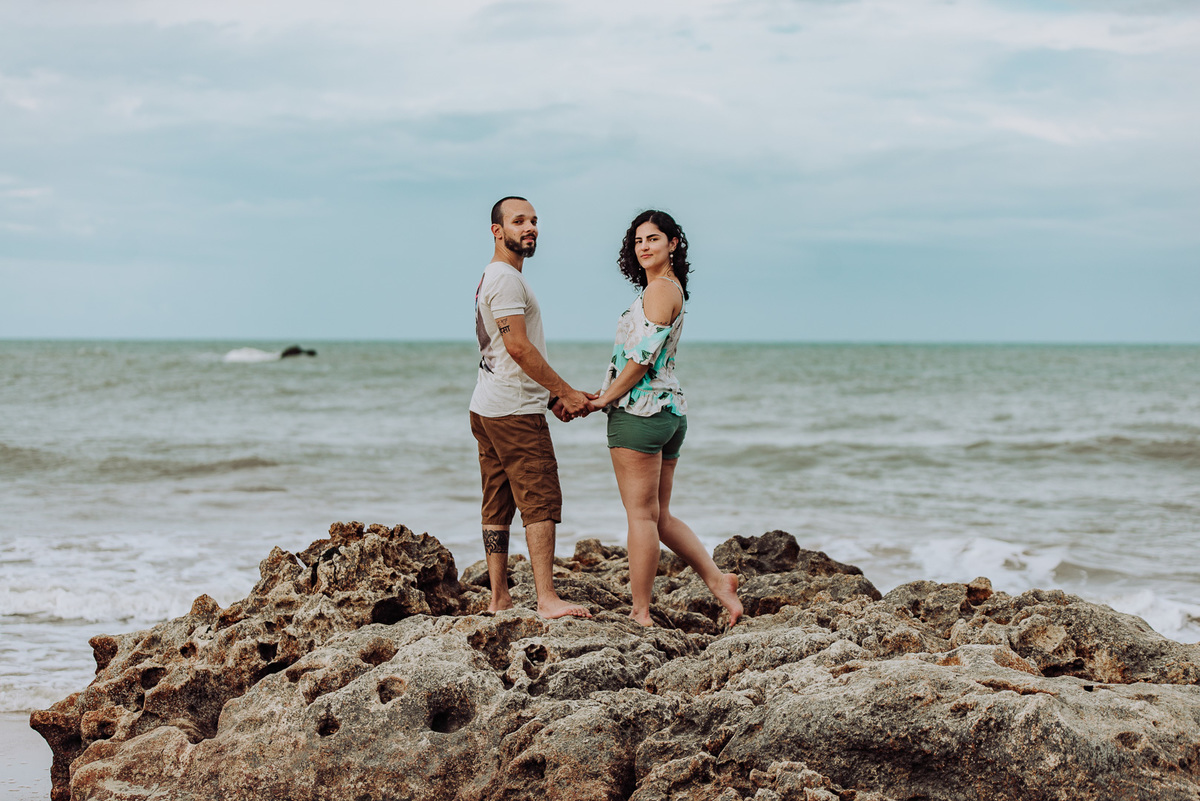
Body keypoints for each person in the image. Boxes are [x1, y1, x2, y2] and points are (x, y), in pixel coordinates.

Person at [585, 210, 742, 628]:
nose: (644, 246)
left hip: (640, 412)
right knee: (661, 517)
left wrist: (605, 400)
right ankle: (719, 581)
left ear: (673, 244)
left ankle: (640, 611)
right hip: (669, 411)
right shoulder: (668, 288)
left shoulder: (659, 290)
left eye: (654, 239)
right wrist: (604, 394)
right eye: (638, 241)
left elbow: (640, 359)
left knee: (641, 517)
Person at [469, 196, 593, 620]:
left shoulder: (493, 276)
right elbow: (517, 347)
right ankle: (546, 599)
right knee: (539, 498)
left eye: (534, 221)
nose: (530, 227)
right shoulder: (505, 279)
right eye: (518, 220)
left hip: (487, 405)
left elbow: (509, 352)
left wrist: (553, 396)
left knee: (497, 502)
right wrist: (566, 391)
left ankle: (499, 598)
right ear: (497, 230)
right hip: (514, 411)